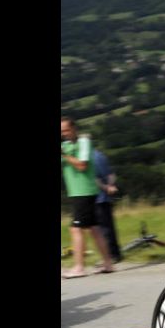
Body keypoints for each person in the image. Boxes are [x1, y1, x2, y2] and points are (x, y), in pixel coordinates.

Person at [61, 117, 115, 278]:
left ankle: (79, 267)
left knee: (76, 229)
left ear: (74, 128)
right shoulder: (65, 146)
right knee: (94, 229)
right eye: (61, 131)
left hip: (83, 191)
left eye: (66, 130)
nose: (64, 134)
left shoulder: (83, 142)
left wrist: (64, 155)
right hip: (77, 192)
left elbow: (82, 165)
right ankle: (108, 263)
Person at [92, 149, 122, 263]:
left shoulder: (90, 157)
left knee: (103, 229)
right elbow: (111, 174)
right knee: (109, 228)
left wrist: (106, 188)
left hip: (98, 198)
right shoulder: (100, 155)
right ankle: (115, 255)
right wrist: (110, 186)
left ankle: (110, 256)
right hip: (105, 198)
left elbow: (94, 179)